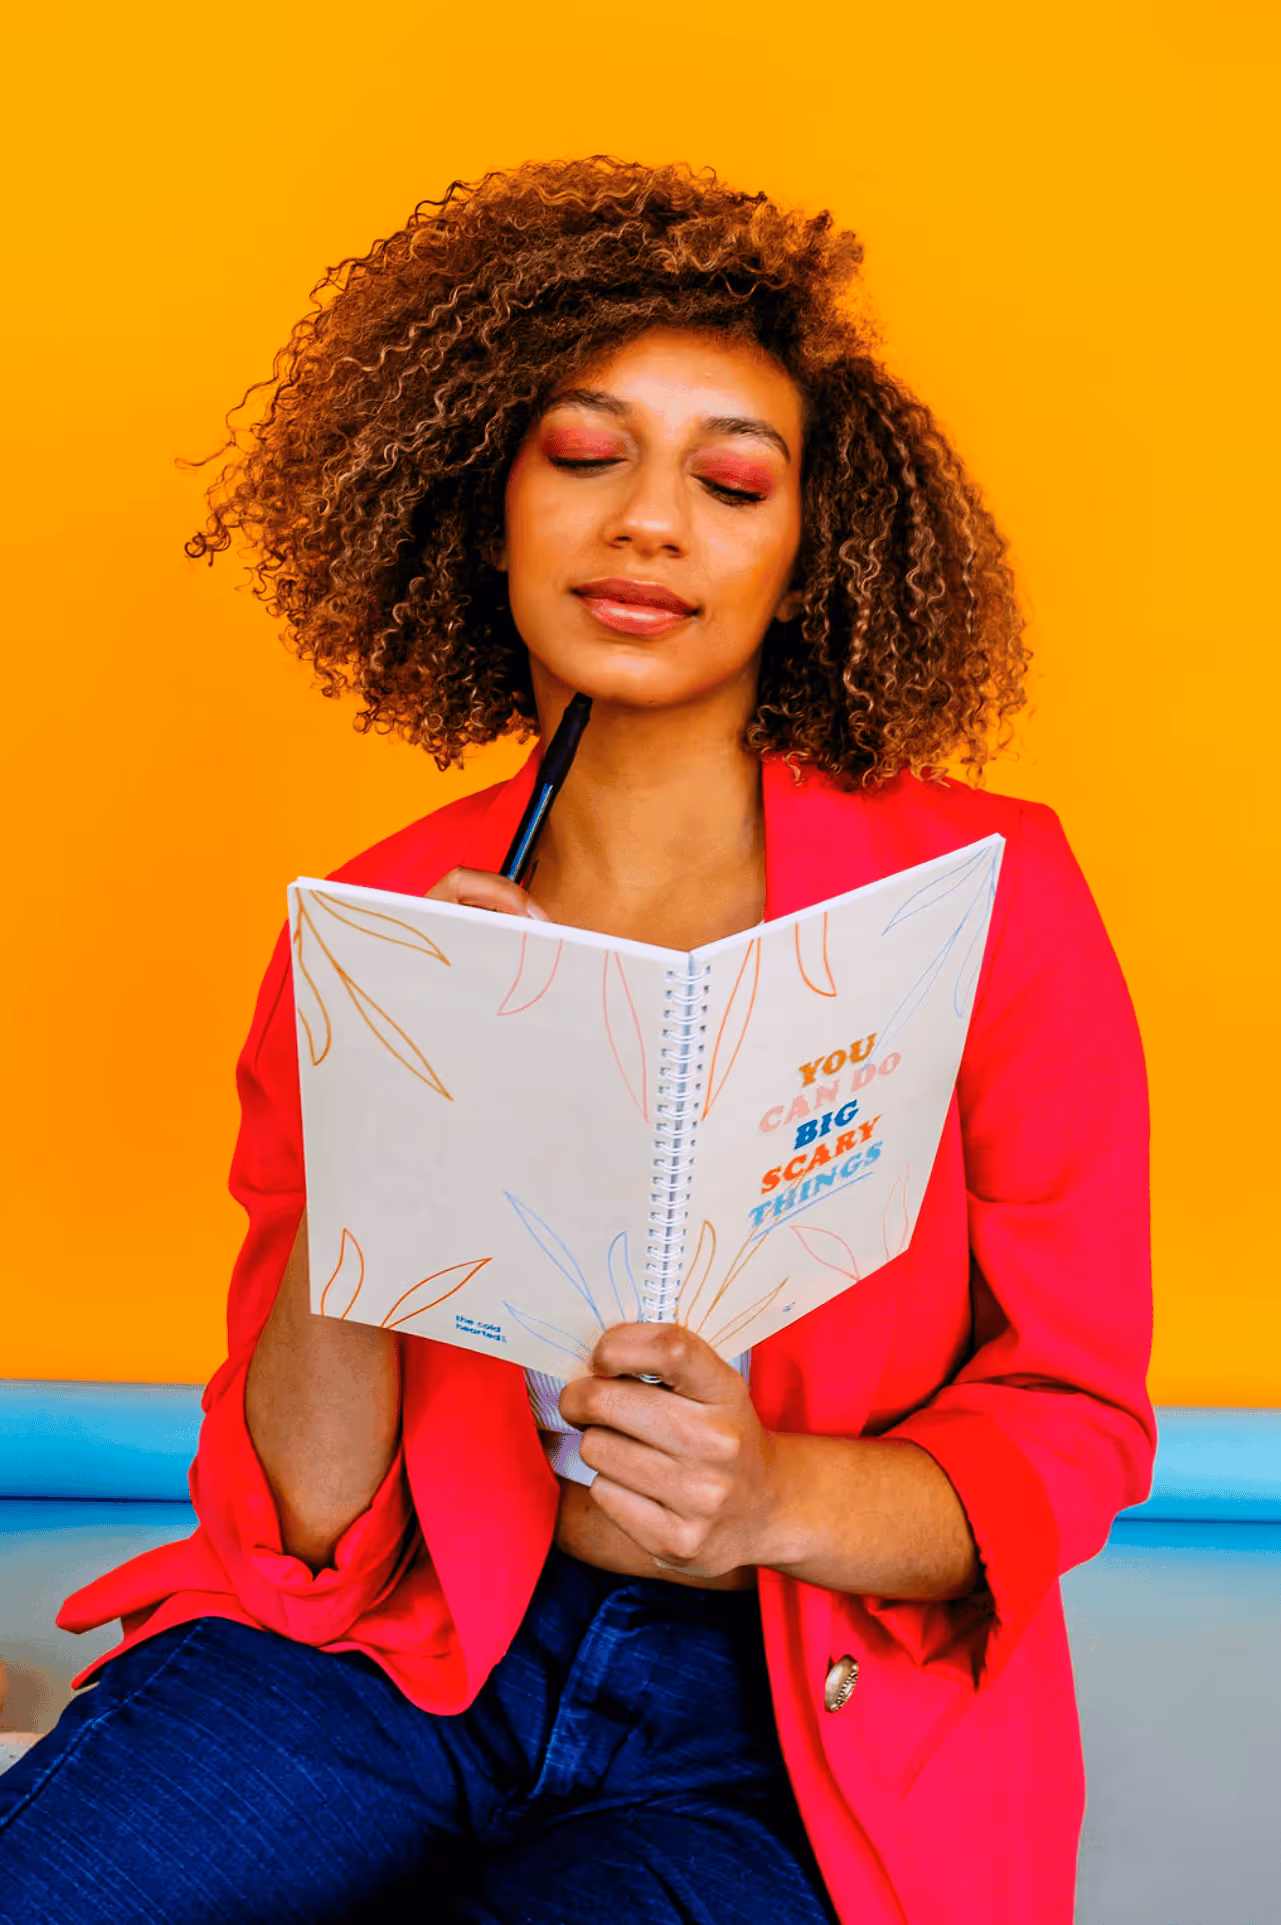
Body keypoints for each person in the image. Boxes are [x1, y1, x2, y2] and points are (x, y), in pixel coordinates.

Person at [0, 158, 1154, 1924]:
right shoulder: (377, 920)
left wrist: (771, 1493)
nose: (651, 525)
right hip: (407, 1655)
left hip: (768, 1736)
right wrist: (398, 1087)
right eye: (585, 452)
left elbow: (1075, 1424)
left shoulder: (987, 896)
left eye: (732, 479)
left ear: (807, 549)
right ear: (488, 504)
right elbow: (306, 1508)